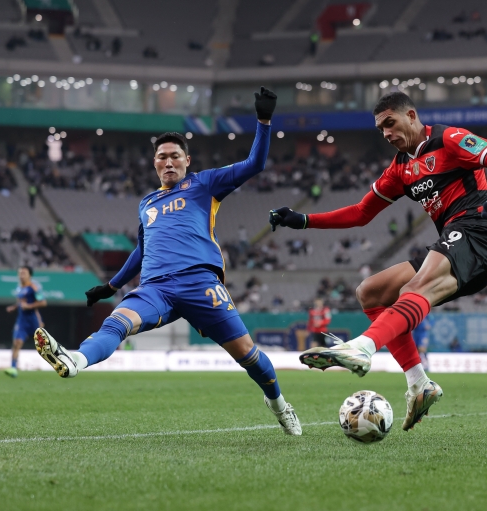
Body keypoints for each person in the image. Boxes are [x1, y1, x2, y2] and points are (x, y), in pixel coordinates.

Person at [33, 88, 301, 436]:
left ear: (187, 161)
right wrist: (111, 286)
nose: (169, 162)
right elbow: (142, 249)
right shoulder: (147, 204)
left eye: (175, 156)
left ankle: (278, 403)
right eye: (162, 157)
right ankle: (75, 360)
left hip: (200, 283)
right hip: (156, 287)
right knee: (116, 324)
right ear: (155, 163)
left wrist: (263, 121)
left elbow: (255, 165)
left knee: (248, 355)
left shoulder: (204, 184)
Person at [269, 91, 487, 430]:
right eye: (380, 128)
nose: (386, 133)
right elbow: (360, 212)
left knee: (414, 287)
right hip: (449, 241)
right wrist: (302, 219)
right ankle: (419, 384)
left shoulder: (449, 139)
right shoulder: (401, 168)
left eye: (391, 123)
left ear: (412, 116)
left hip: (476, 234)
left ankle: (363, 347)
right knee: (370, 292)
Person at [4, 266, 47, 377]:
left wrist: (29, 306)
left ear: (30, 275)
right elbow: (21, 302)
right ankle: (13, 369)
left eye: (24, 273)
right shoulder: (19, 287)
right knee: (17, 343)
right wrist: (14, 307)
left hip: (33, 320)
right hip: (22, 321)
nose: (21, 275)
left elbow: (43, 302)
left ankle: (57, 364)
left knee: (43, 345)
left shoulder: (34, 287)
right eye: (20, 273)